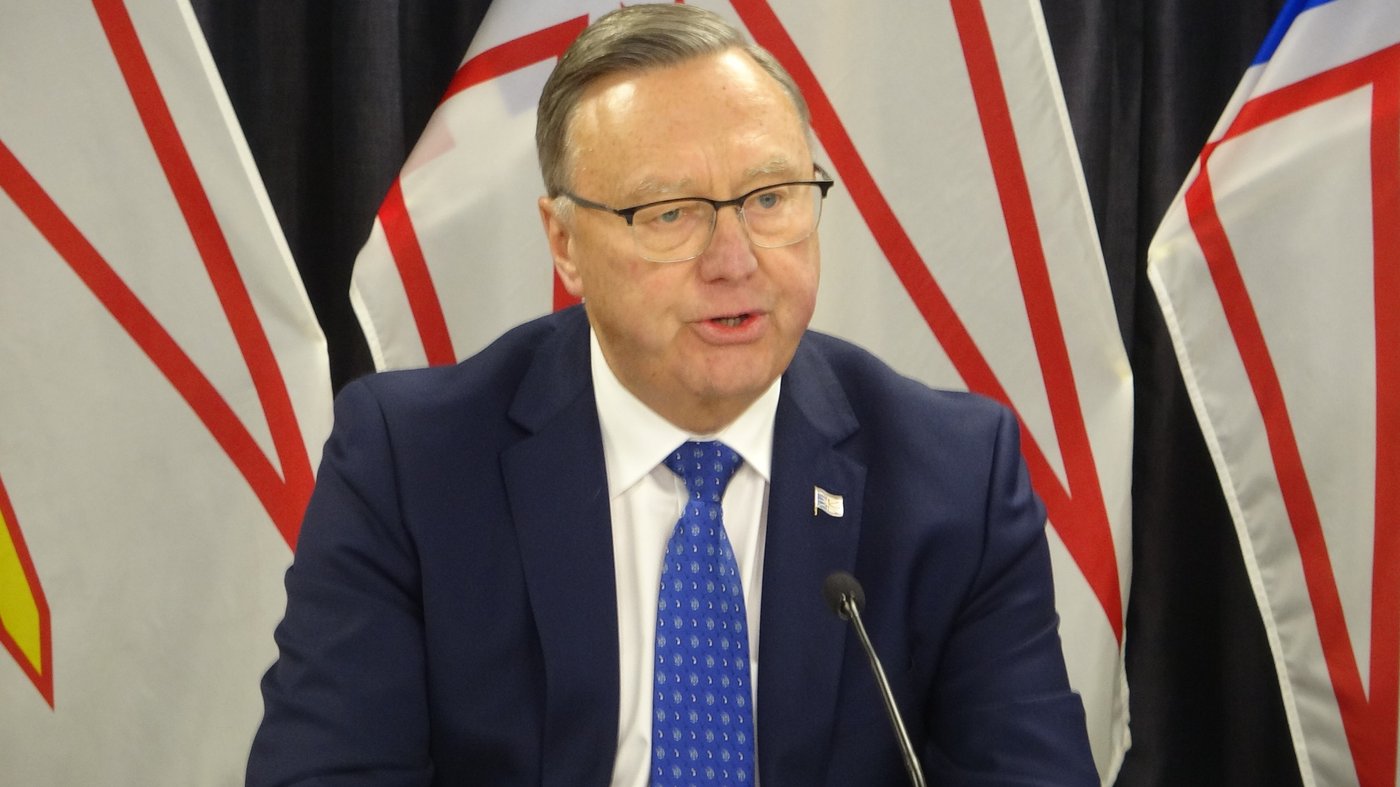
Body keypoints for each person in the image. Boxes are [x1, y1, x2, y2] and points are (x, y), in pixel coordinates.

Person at [247, 4, 1098, 785]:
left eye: (771, 198)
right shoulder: (410, 463)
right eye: (670, 213)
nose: (735, 259)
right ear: (565, 243)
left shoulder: (956, 477)